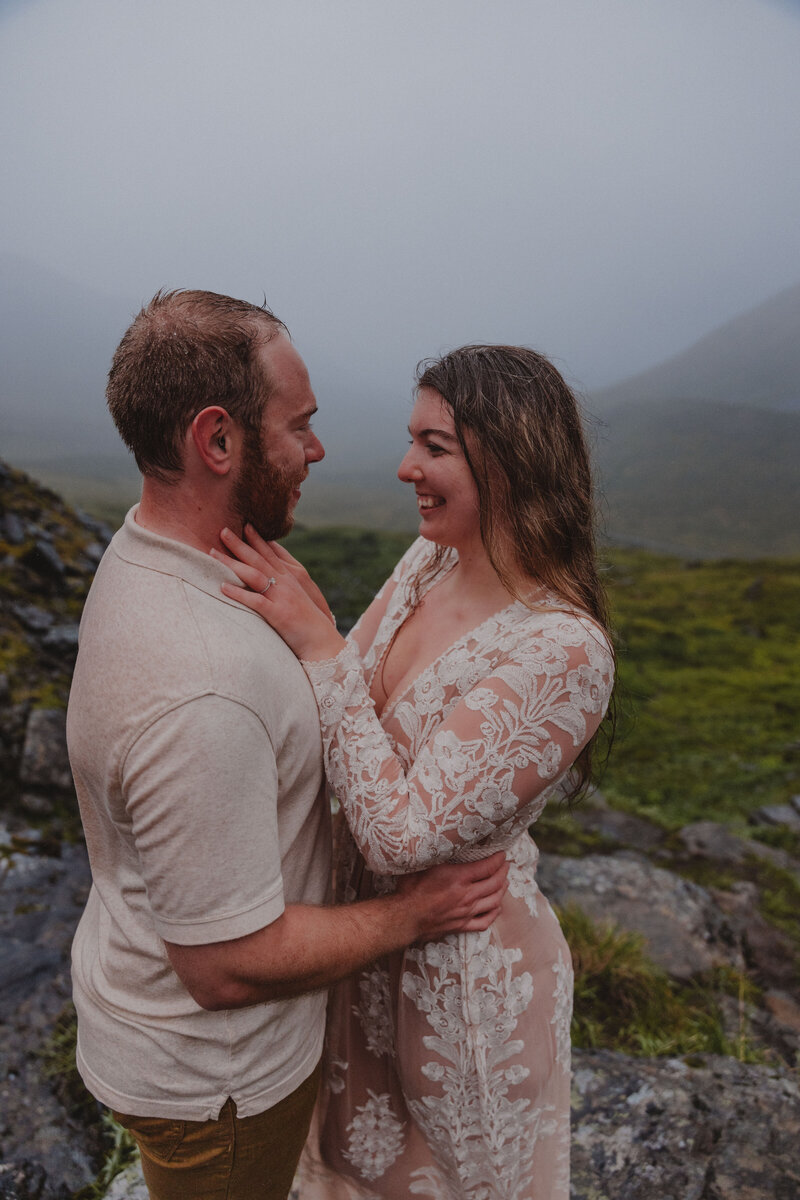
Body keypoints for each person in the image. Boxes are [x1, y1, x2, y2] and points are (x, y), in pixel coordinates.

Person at [65, 291, 510, 1200]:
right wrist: (415, 915)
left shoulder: (163, 552)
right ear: (217, 440)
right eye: (298, 426)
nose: (317, 450)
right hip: (218, 1085)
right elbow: (226, 964)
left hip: (177, 1042)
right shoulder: (202, 685)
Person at [217, 343, 616, 1199]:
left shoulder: (564, 649)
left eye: (435, 447)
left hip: (464, 989)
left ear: (509, 459)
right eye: (412, 441)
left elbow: (401, 835)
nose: (406, 469)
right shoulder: (430, 560)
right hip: (366, 948)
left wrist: (319, 640)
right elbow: (342, 701)